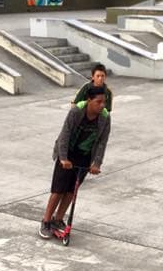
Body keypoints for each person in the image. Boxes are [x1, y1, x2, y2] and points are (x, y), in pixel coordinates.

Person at [40, 85, 111, 238]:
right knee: (58, 189)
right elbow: (65, 134)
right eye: (98, 102)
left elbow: (102, 142)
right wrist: (63, 158)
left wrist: (97, 163)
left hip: (84, 156)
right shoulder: (76, 111)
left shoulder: (105, 118)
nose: (102, 105)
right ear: (89, 100)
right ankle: (46, 221)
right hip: (67, 152)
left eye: (103, 102)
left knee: (71, 191)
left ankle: (58, 219)